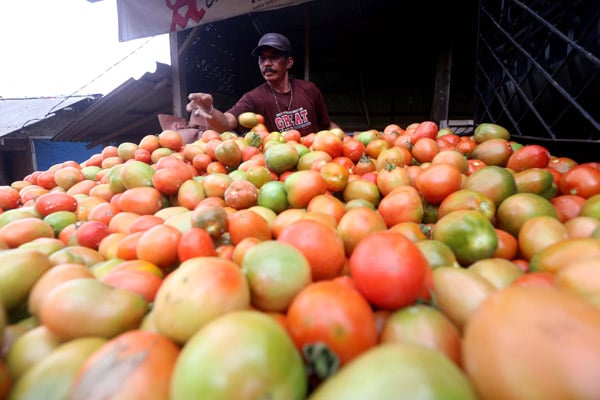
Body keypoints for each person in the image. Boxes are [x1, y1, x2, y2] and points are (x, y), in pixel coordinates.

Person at [186, 32, 340, 137]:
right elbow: (227, 122)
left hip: (312, 164)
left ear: (289, 62)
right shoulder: (254, 98)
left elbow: (326, 125)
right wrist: (210, 111)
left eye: (273, 57)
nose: (266, 63)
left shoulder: (308, 89)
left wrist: (346, 140)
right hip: (277, 167)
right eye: (262, 58)